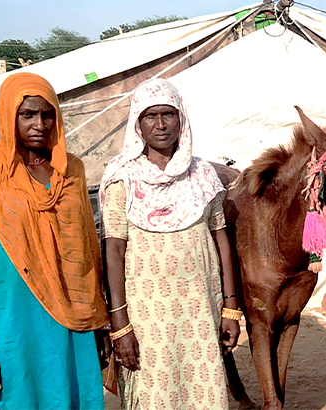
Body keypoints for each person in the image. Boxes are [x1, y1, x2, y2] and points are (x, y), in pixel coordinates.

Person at [100, 78, 240, 409]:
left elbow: (221, 241)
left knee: (203, 391)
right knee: (154, 393)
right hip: (147, 314)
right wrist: (120, 325)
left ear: (182, 119)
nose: (161, 125)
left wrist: (231, 309)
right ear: (137, 122)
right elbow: (114, 251)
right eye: (150, 116)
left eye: (169, 114)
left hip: (200, 310)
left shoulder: (202, 175)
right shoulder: (123, 178)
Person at [0, 72, 109, 409]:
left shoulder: (72, 171)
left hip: (75, 319)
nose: (40, 124)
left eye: (48, 114)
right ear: (8, 116)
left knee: (74, 398)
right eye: (27, 114)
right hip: (14, 320)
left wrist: (99, 322)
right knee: (20, 398)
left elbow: (88, 252)